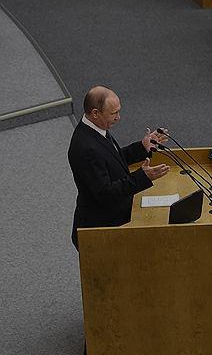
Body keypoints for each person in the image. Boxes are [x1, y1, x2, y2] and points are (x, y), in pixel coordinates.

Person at [69, 86, 170, 250]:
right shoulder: (85, 147)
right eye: (113, 113)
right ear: (95, 113)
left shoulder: (96, 129)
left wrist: (142, 147)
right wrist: (142, 177)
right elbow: (105, 193)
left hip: (113, 219)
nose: (118, 117)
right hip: (100, 231)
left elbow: (112, 158)